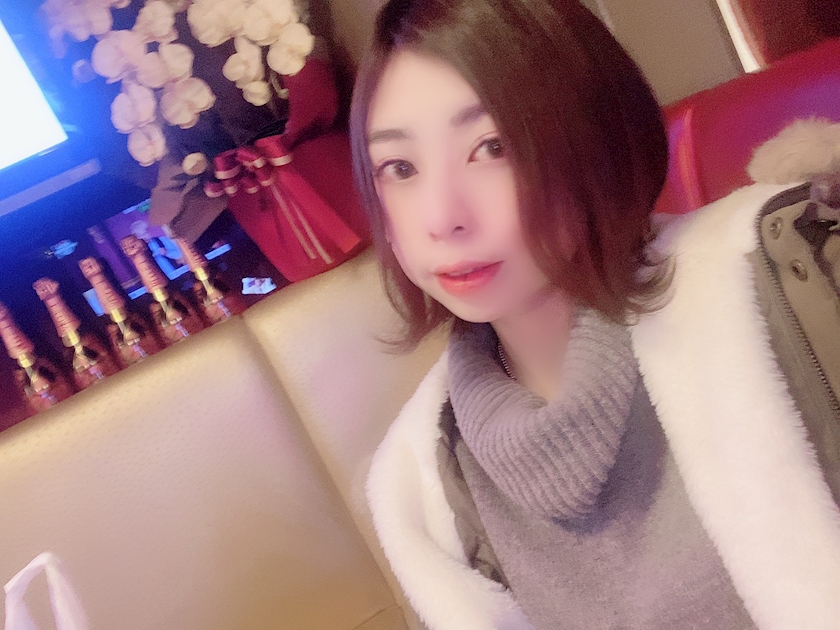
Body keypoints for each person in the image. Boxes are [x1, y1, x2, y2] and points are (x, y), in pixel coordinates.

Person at [348, 1, 840, 629]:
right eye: (400, 168)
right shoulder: (429, 491)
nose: (441, 217)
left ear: (594, 137)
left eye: (492, 147)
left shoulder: (788, 279)